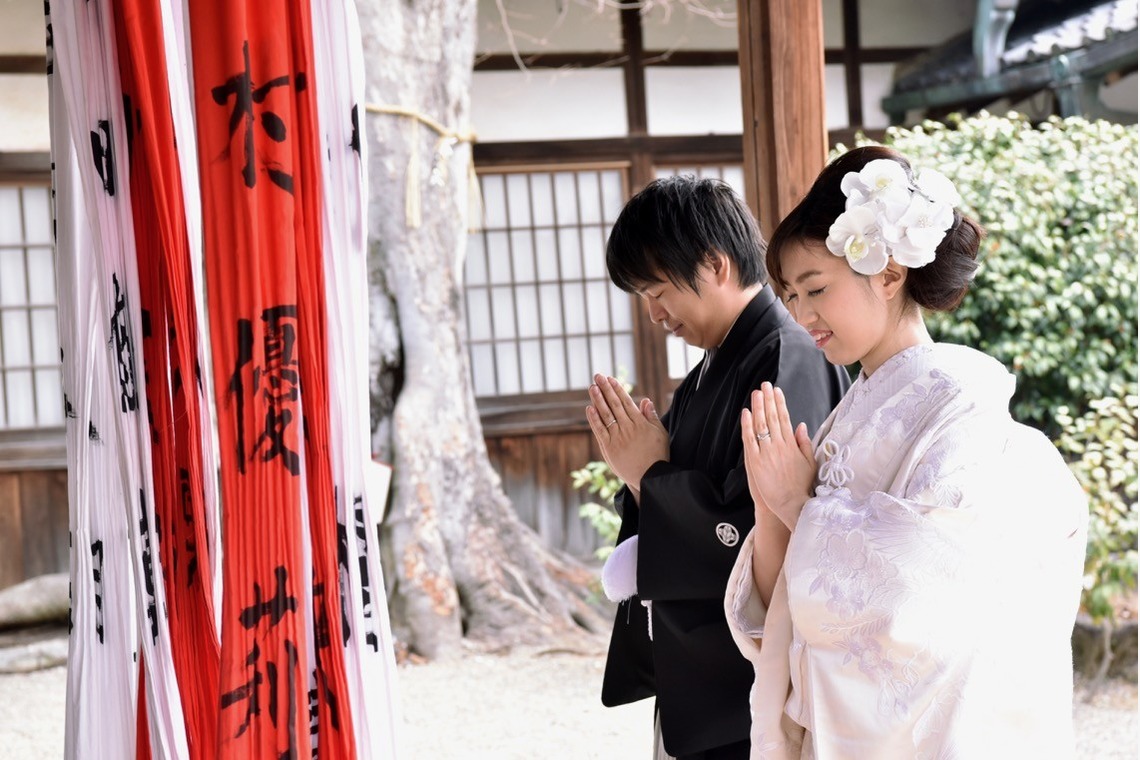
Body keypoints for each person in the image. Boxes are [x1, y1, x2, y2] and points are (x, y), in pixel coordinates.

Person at [725, 145, 1089, 759]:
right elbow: (790, 598)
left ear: (889, 275)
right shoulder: (855, 402)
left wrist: (799, 505)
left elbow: (926, 590)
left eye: (815, 288)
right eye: (789, 295)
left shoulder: (959, 401)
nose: (801, 313)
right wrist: (772, 505)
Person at [585, 175, 850, 759]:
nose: (654, 314)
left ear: (713, 264)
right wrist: (645, 474)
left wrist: (649, 477)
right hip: (704, 676)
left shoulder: (788, 356)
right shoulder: (714, 365)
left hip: (748, 686)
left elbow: (763, 530)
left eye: (657, 291)